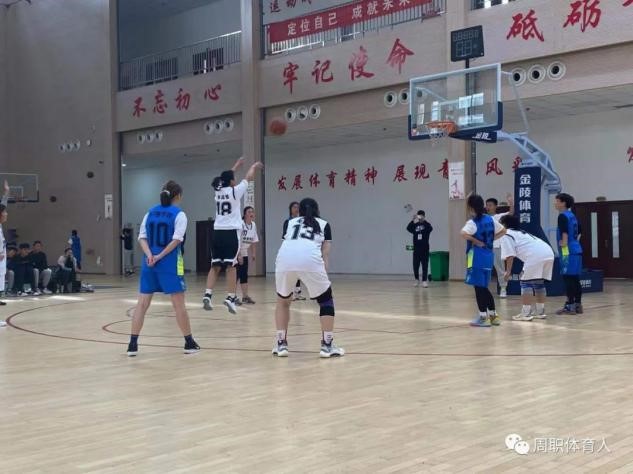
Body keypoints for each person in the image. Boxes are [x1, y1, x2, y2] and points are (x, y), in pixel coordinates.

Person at [127, 180, 200, 356]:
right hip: (170, 264)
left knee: (142, 304)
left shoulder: (149, 213)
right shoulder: (179, 214)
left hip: (149, 263)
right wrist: (160, 256)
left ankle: (132, 345)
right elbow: (176, 240)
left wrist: (150, 255)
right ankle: (189, 343)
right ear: (178, 196)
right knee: (179, 305)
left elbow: (141, 237)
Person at [273, 198, 344, 358]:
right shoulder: (324, 224)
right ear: (317, 210)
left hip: (284, 259)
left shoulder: (289, 222)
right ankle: (327, 345)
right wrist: (323, 274)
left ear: (300, 211)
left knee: (283, 302)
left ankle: (281, 344)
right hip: (310, 259)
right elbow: (325, 254)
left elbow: (289, 245)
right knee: (326, 300)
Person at [203, 157, 263, 313]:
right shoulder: (236, 191)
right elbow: (248, 177)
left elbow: (224, 177)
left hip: (217, 232)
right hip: (231, 233)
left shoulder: (218, 191)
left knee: (215, 266)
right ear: (231, 181)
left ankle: (207, 295)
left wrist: (236, 165)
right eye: (234, 178)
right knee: (232, 266)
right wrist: (253, 166)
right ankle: (230, 297)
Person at [499, 215, 555, 321]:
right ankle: (540, 312)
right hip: (549, 253)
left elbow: (510, 255)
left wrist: (508, 271)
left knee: (525, 283)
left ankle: (526, 313)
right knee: (538, 283)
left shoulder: (506, 234)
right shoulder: (521, 232)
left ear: (504, 225)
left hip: (536, 256)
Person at [462, 194, 505, 327]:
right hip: (488, 255)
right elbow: (504, 230)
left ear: (471, 207)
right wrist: (490, 240)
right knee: (484, 287)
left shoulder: (473, 222)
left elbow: (463, 234)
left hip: (476, 256)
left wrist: (476, 241)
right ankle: (493, 316)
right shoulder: (490, 219)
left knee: (478, 288)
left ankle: (483, 317)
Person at [554, 193, 583, 315]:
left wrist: (564, 243)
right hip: (576, 249)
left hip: (567, 251)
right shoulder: (572, 216)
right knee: (575, 278)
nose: (555, 203)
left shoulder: (562, 216)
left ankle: (570, 306)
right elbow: (580, 231)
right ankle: (578, 305)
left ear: (563, 203)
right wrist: (574, 242)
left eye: (557, 201)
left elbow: (564, 232)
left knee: (568, 278)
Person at [486, 194, 514, 298]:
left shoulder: (499, 217)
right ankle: (484, 288)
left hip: (497, 245)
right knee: (485, 268)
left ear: (495, 206)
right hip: (485, 247)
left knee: (500, 268)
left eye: (490, 205)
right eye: (487, 205)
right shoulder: (483, 218)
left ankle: (503, 288)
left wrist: (511, 202)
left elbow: (511, 213)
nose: (488, 207)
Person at [282, 201, 306, 301]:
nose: (296, 209)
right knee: (291, 271)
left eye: (298, 207)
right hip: (290, 250)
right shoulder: (287, 222)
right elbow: (284, 236)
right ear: (290, 209)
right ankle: (289, 293)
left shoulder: (302, 221)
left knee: (298, 272)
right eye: (294, 207)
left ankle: (297, 293)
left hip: (299, 250)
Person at [236, 206, 259, 305]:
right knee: (235, 275)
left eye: (252, 212)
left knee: (244, 275)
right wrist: (239, 255)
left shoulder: (253, 225)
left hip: (244, 252)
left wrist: (253, 253)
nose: (251, 213)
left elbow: (254, 240)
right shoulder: (240, 224)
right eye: (249, 212)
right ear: (245, 214)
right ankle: (232, 297)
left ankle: (245, 297)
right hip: (236, 252)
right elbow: (236, 240)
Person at [406, 210, 433, 287]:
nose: (420, 217)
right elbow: (408, 228)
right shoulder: (415, 225)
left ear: (424, 216)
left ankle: (424, 281)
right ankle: (416, 279)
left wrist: (424, 221)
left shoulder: (427, 225)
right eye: (419, 215)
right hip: (416, 249)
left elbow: (430, 228)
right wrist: (412, 220)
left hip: (425, 249)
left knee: (425, 265)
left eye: (422, 216)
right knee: (415, 265)